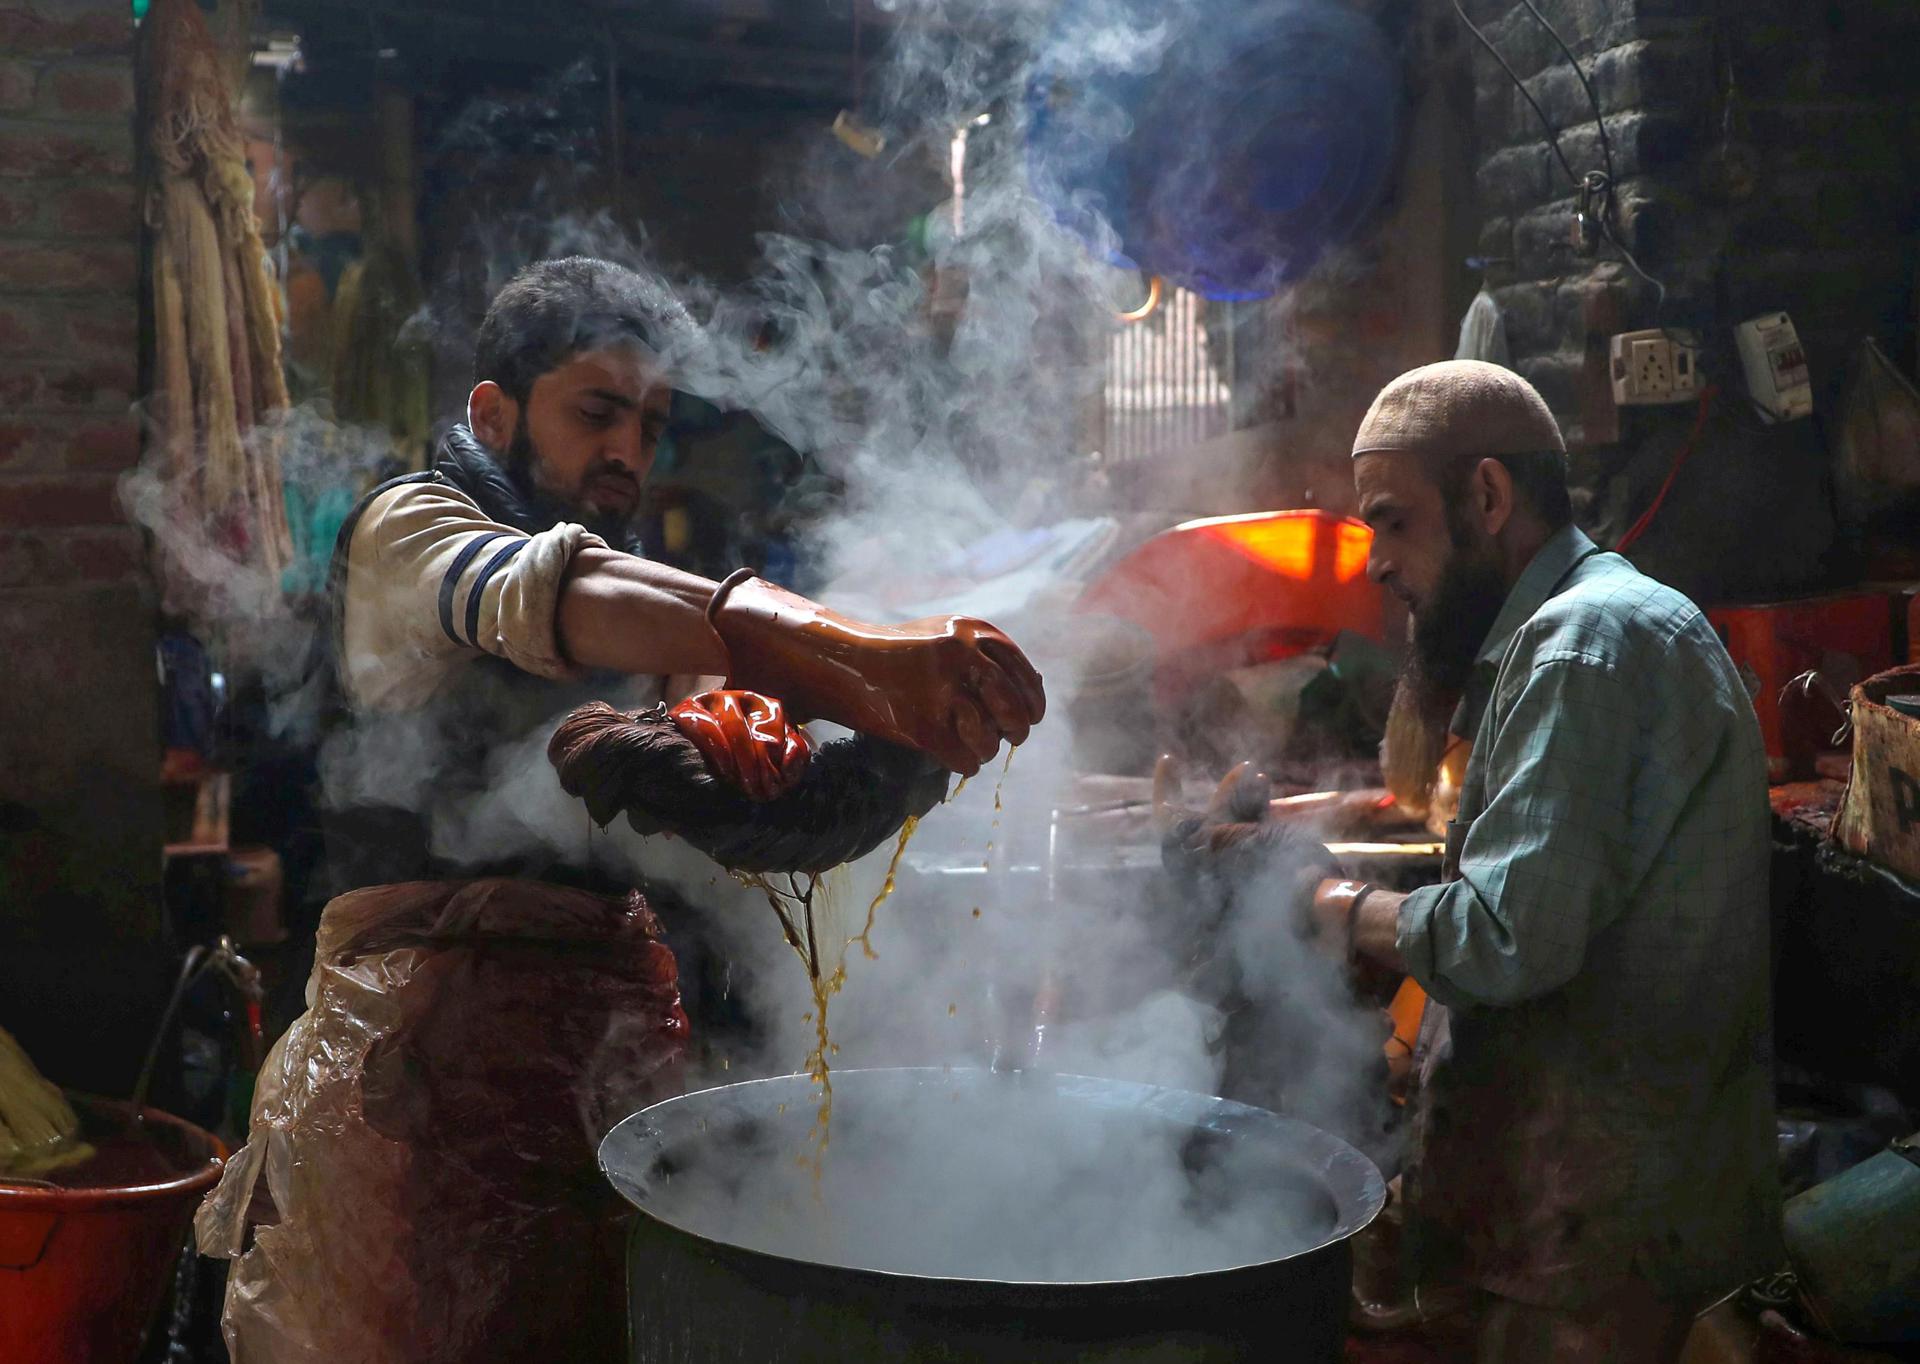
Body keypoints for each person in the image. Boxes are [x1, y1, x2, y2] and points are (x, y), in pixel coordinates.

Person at [1171, 361, 1779, 1362]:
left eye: (1392, 520)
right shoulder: (1586, 629)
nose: (1373, 562)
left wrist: (1322, 895)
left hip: (1595, 1233)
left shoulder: (1581, 648)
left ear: (1488, 496)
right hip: (1579, 1214)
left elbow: (1507, 938)